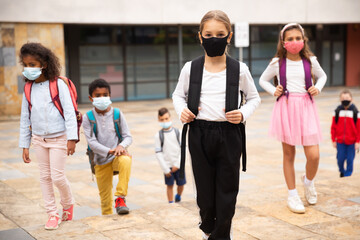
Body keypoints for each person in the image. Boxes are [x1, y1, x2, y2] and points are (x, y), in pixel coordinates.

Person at [173, 10, 260, 240]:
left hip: (230, 135)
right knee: (205, 193)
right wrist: (182, 111)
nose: (214, 39)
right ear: (200, 37)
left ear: (229, 36)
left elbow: (254, 98)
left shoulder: (239, 69)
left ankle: (222, 234)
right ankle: (208, 228)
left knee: (227, 192)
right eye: (209, 34)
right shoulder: (190, 68)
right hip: (199, 134)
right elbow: (178, 96)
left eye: (220, 34)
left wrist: (242, 114)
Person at [259, 23, 327, 214]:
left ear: (304, 40)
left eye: (298, 38)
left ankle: (308, 181)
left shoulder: (310, 60)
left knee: (314, 155)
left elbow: (322, 77)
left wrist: (318, 88)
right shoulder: (277, 63)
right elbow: (263, 80)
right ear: (283, 42)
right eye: (290, 39)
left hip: (306, 108)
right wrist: (274, 90)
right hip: (286, 108)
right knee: (289, 155)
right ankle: (292, 194)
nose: (294, 42)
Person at [19, 42, 77, 230]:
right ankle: (52, 213)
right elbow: (24, 117)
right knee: (45, 177)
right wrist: (24, 144)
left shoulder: (58, 83)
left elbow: (69, 112)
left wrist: (72, 139)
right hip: (38, 139)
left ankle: (68, 203)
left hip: (59, 137)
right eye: (26, 65)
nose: (29, 69)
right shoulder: (28, 88)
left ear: (43, 64)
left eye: (33, 64)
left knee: (58, 177)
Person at [82, 79, 132, 215]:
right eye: (98, 95)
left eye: (105, 95)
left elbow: (128, 136)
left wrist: (121, 146)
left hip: (117, 158)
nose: (102, 98)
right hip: (100, 161)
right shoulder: (88, 117)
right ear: (90, 98)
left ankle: (120, 198)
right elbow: (91, 142)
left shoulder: (117, 114)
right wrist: (109, 151)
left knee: (126, 160)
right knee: (105, 201)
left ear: (110, 95)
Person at [155, 107, 185, 203]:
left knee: (181, 184)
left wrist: (178, 164)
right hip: (167, 167)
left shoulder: (178, 132)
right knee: (169, 185)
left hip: (178, 165)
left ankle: (178, 196)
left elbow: (183, 149)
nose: (165, 121)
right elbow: (158, 153)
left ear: (170, 118)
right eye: (162, 119)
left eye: (166, 118)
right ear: (159, 120)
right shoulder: (158, 135)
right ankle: (171, 202)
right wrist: (165, 168)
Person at [331, 89, 360, 177]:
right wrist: (333, 140)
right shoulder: (337, 112)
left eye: (347, 98)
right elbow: (333, 127)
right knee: (340, 159)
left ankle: (348, 174)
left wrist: (357, 141)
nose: (345, 100)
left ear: (351, 99)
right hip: (340, 141)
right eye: (343, 98)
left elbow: (359, 129)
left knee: (350, 160)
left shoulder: (356, 112)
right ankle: (342, 171)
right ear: (340, 100)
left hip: (351, 142)